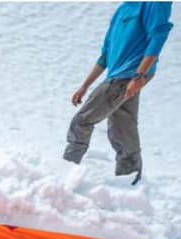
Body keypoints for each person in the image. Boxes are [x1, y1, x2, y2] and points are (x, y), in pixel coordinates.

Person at [63, 2, 173, 183]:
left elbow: (159, 35)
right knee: (122, 127)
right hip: (120, 75)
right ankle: (130, 181)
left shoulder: (153, 3)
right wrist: (85, 85)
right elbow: (105, 55)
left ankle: (66, 170)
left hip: (128, 75)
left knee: (82, 121)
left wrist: (139, 75)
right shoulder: (123, 9)